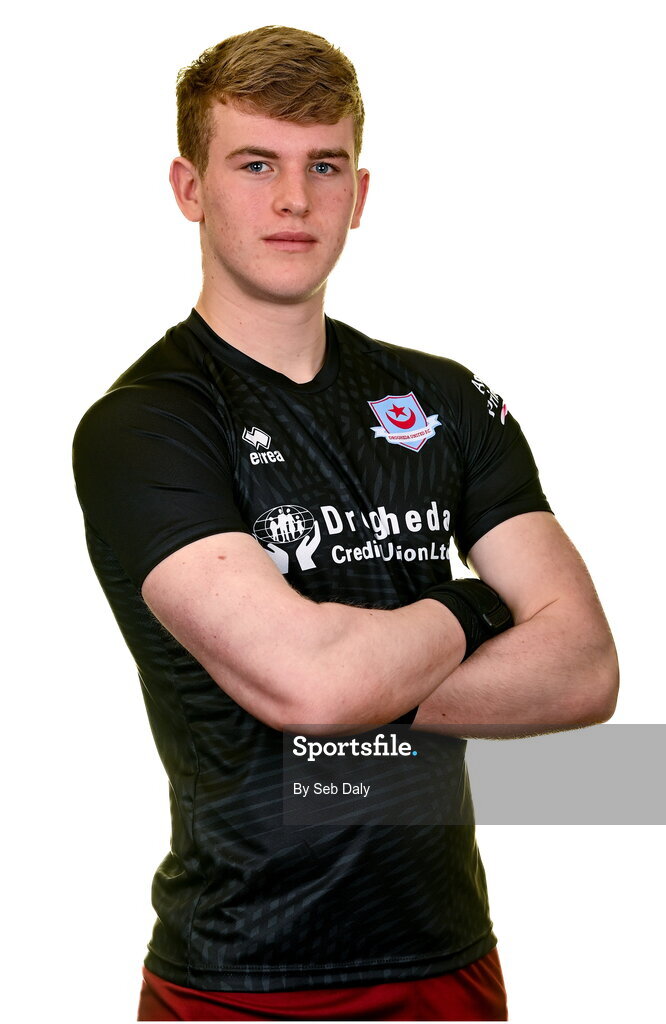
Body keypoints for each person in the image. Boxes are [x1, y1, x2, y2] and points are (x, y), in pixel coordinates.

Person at [72, 24, 619, 1022]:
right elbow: (312, 682)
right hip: (238, 977)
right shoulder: (146, 425)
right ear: (189, 189)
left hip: (446, 962)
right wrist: (473, 602)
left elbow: (585, 666)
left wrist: (356, 675)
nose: (294, 199)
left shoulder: (447, 399)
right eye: (255, 164)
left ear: (359, 194)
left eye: (325, 164)